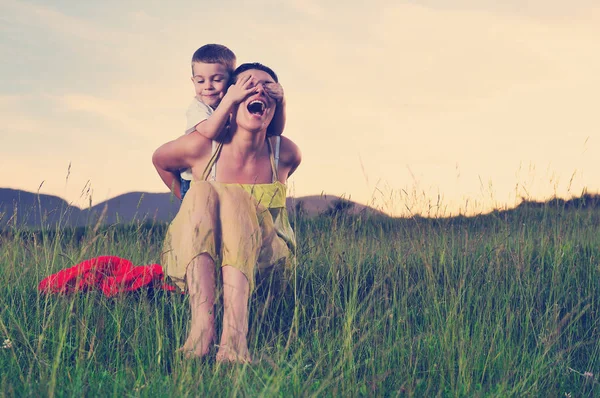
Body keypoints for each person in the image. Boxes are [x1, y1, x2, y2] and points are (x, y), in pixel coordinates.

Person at [152, 63, 301, 363]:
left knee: (233, 196)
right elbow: (160, 160)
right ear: (231, 101)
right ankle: (201, 332)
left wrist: (281, 100)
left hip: (266, 265)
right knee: (203, 191)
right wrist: (189, 202)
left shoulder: (284, 152)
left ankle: (234, 341)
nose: (258, 90)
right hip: (202, 261)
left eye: (268, 88)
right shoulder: (203, 146)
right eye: (248, 84)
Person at [177, 44, 287, 199]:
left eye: (217, 79)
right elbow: (211, 132)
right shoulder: (198, 108)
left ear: (229, 82)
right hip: (189, 179)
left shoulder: (234, 103)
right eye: (200, 81)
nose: (208, 87)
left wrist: (281, 102)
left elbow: (275, 132)